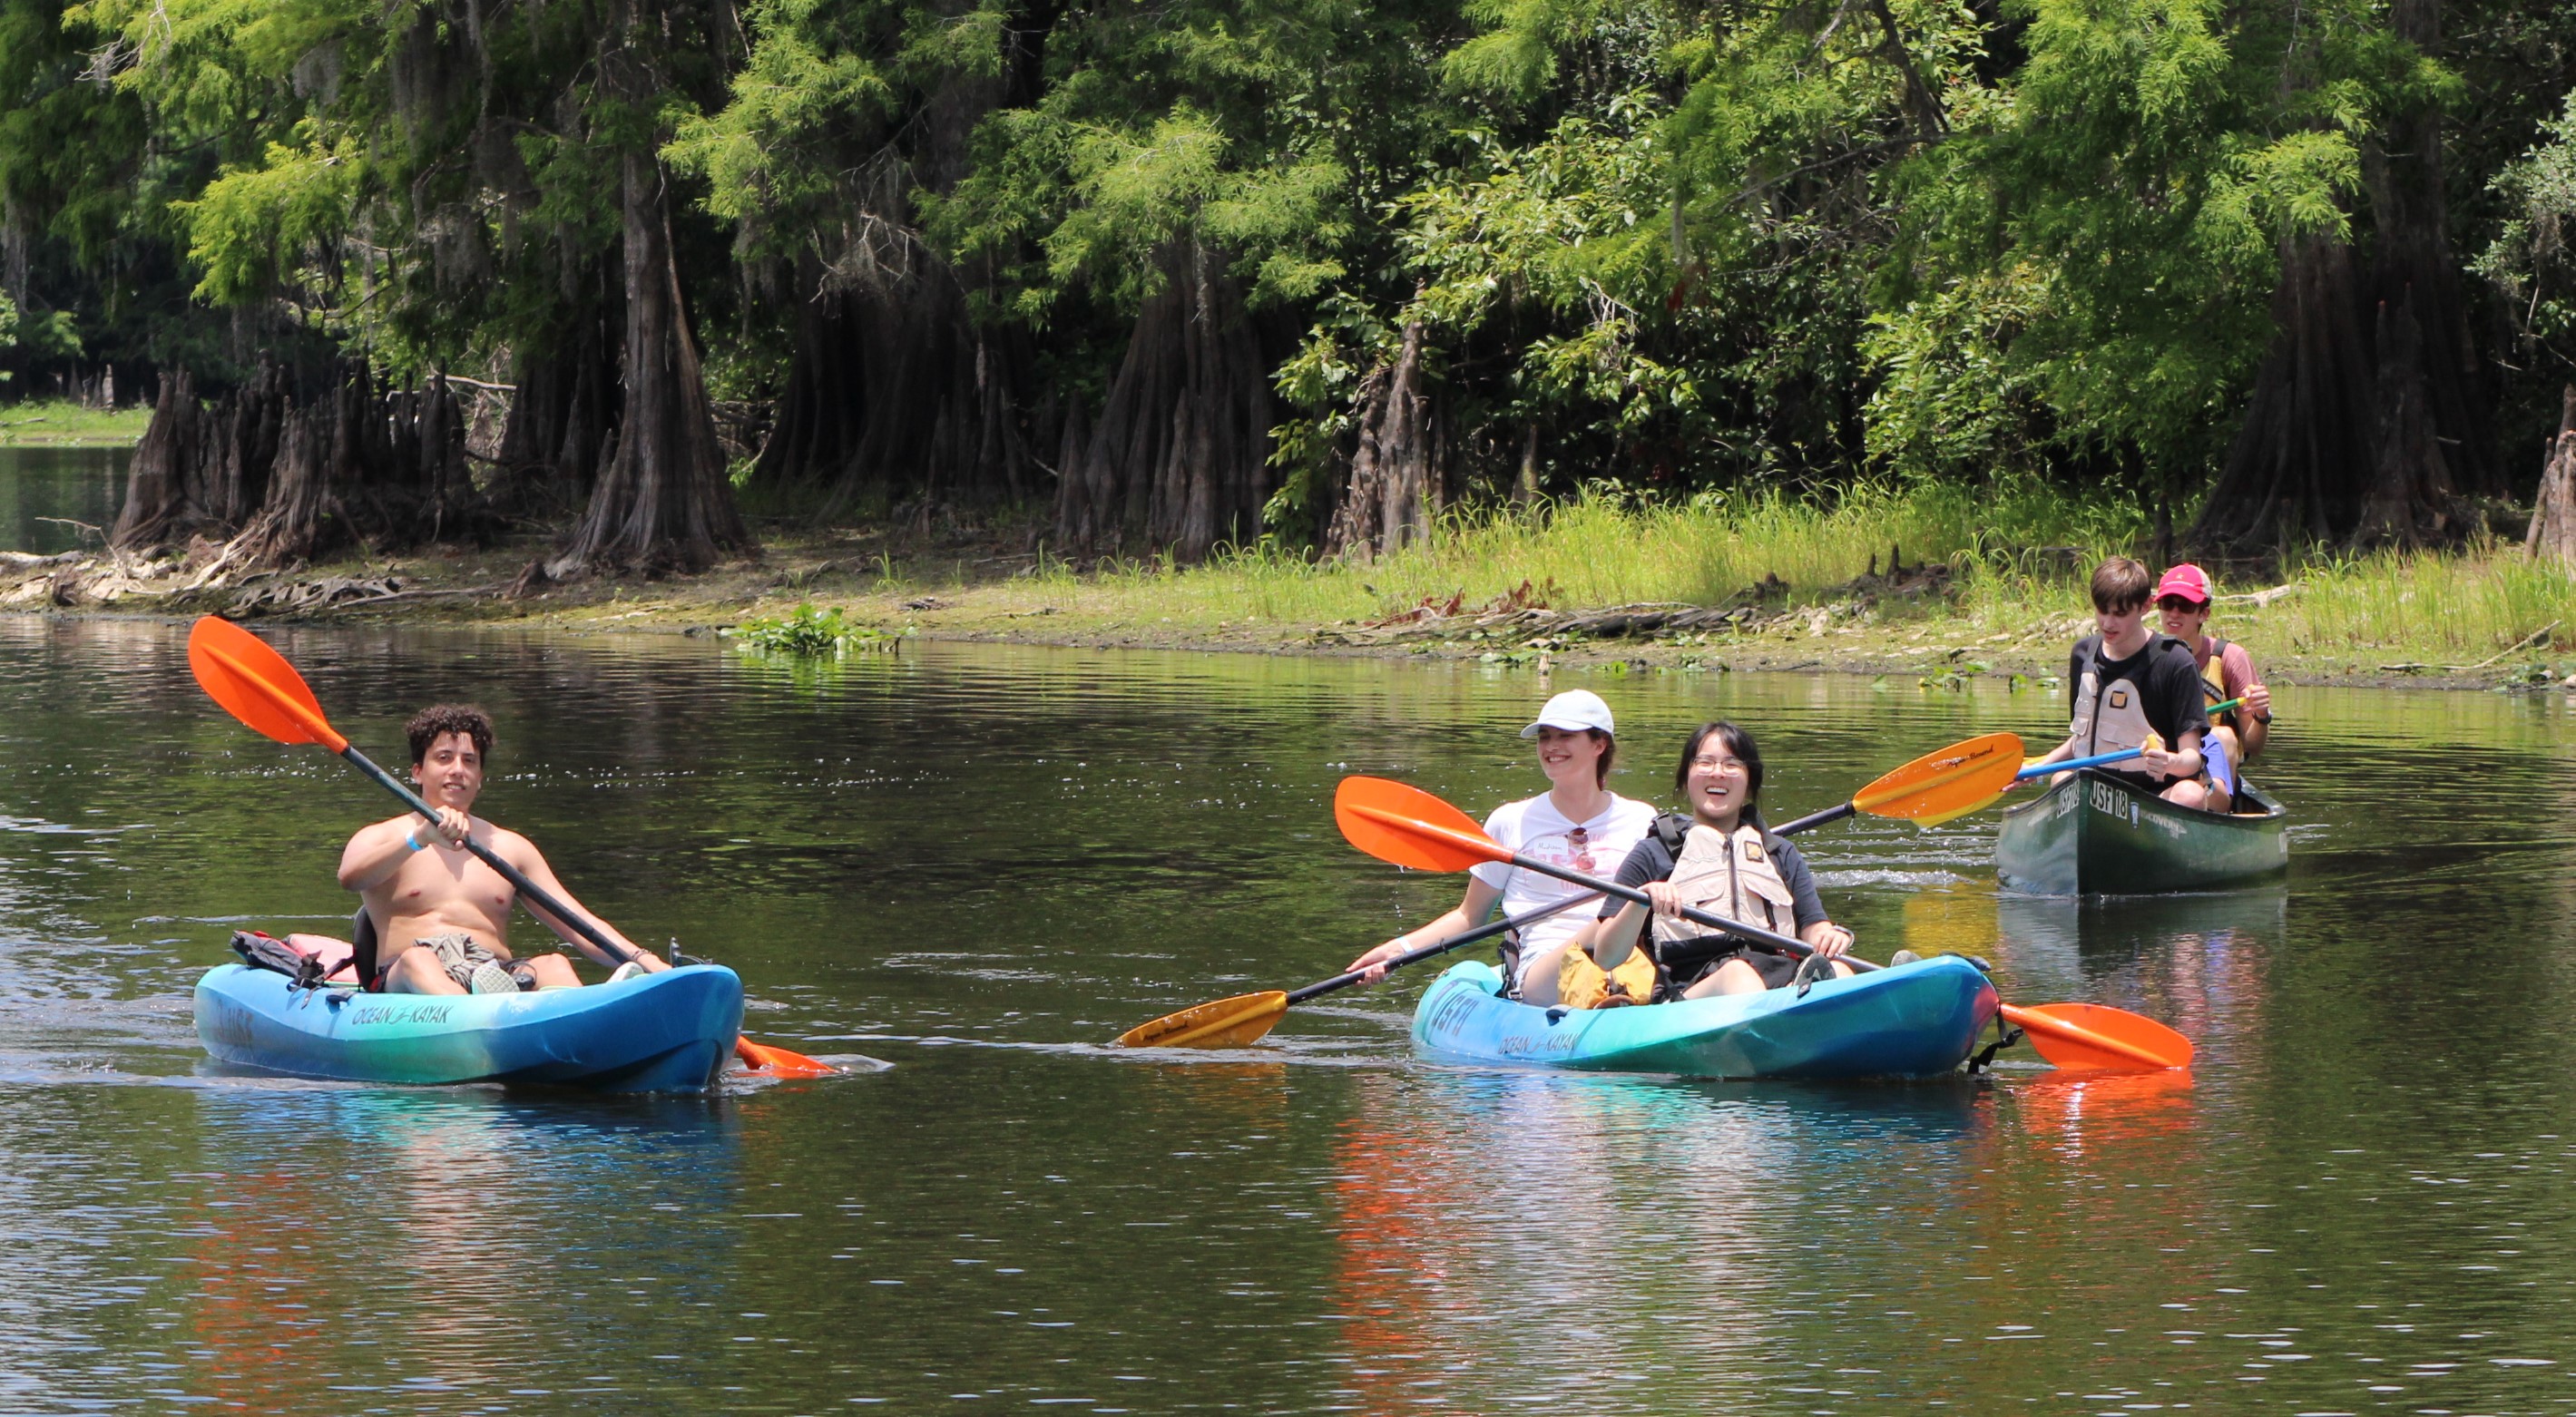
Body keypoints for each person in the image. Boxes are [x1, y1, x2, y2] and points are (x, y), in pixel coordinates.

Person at [1343, 689, 1658, 1006]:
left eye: (1565, 736)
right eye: (1544, 737)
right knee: (1606, 925)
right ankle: (1610, 975)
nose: (1551, 747)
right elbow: (1470, 916)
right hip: (1545, 971)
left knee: (1630, 932)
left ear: (1599, 745)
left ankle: (1620, 989)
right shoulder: (1510, 821)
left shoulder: (1641, 820)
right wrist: (1398, 949)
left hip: (1628, 954)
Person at [337, 704, 669, 994]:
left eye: (470, 761)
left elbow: (579, 922)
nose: (457, 769)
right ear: (418, 772)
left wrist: (646, 961)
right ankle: (477, 1015)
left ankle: (588, 1024)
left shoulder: (511, 847)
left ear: (480, 777)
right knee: (417, 960)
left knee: (554, 964)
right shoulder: (383, 835)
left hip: (494, 973)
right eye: (444, 758)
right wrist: (418, 839)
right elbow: (351, 879)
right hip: (408, 977)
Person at [1575, 722, 1856, 999]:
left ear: (1749, 781)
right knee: (1738, 975)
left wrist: (1829, 936)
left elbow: (1814, 927)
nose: (1718, 773)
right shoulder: (1653, 853)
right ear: (1687, 777)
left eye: (1732, 765)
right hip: (1691, 990)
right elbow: (1606, 956)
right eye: (1705, 762)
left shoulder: (1779, 852)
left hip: (1779, 975)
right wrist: (1640, 900)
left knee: (1840, 970)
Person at [2027, 555, 2214, 809]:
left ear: (2146, 606)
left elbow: (2191, 757)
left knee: (2190, 795)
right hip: (2095, 793)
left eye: (2120, 613)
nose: (2107, 623)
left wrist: (2169, 762)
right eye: (2102, 611)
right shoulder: (2082, 655)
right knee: (2061, 779)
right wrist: (2037, 767)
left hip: (2154, 795)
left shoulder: (2176, 663)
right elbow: (2083, 738)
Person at [2153, 562, 2273, 811]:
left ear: (2203, 614)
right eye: (2167, 604)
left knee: (2222, 736)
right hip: (2163, 761)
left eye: (2185, 605)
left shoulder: (2230, 658)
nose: (2174, 614)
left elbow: (2253, 746)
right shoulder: (2147, 655)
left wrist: (2261, 716)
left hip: (2211, 769)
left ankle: (2214, 809)